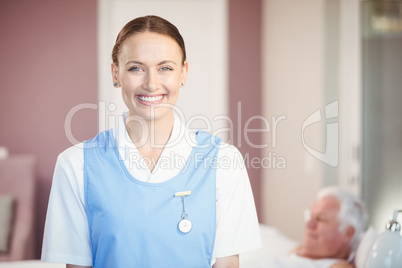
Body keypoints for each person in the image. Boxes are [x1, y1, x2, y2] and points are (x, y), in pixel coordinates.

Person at [41, 15, 261, 268]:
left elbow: (227, 264)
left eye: (165, 68)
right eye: (136, 68)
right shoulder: (76, 164)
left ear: (183, 73)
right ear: (116, 74)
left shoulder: (224, 160)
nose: (152, 83)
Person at [289, 186, 368, 268]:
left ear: (347, 233)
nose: (309, 224)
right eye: (310, 215)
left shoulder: (338, 266)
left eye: (320, 219)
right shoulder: (298, 251)